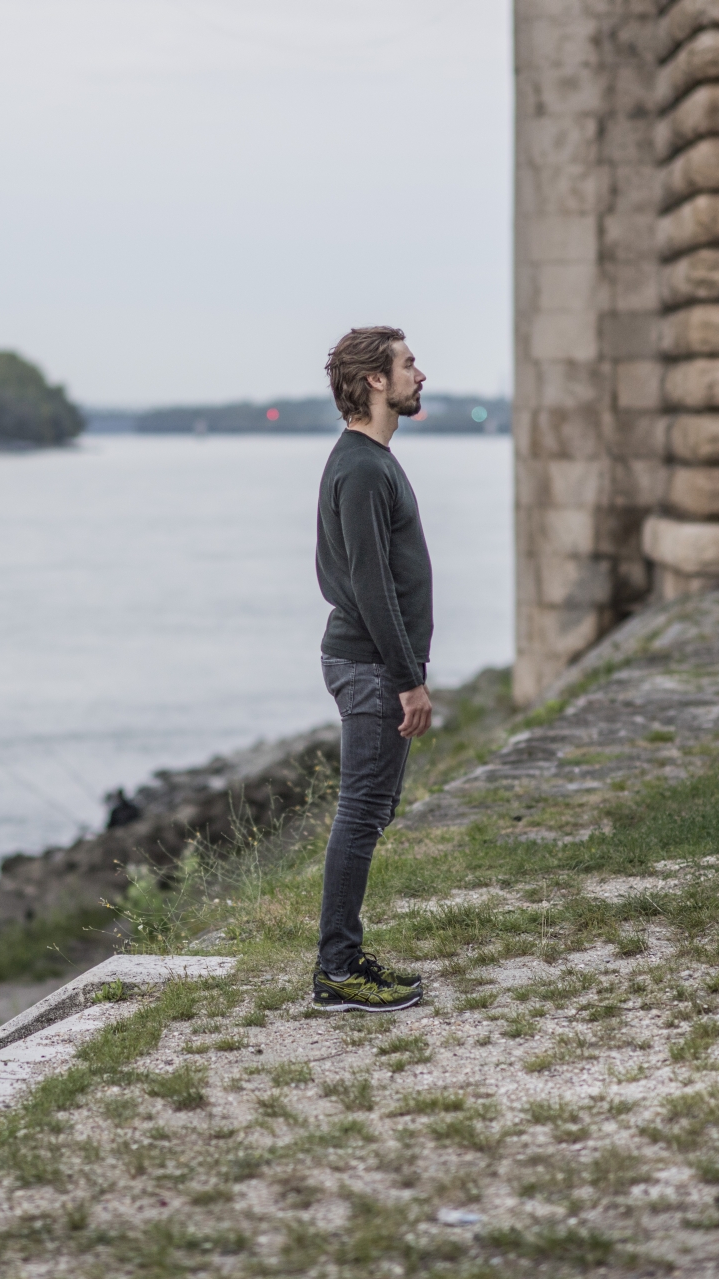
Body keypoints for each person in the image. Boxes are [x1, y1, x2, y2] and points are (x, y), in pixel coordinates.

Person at [311, 327, 433, 1013]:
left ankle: (344, 957)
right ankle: (337, 967)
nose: (421, 373)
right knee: (360, 812)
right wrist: (408, 677)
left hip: (375, 663)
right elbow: (369, 583)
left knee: (372, 809)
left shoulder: (372, 460)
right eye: (409, 363)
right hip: (369, 667)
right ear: (377, 381)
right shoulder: (360, 466)